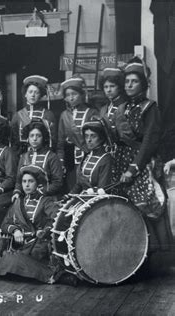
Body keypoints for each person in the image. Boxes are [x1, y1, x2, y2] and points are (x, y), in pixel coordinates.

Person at [114, 58, 173, 250]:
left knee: (149, 209)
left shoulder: (151, 108)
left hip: (143, 164)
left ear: (143, 84)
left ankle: (160, 256)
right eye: (127, 82)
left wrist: (134, 168)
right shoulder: (124, 108)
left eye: (134, 81)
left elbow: (149, 142)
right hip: (122, 163)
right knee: (128, 210)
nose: (129, 85)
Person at [0, 166, 60, 284]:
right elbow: (5, 224)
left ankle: (38, 272)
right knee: (11, 258)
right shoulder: (18, 202)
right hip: (21, 245)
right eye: (24, 181)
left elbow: (56, 219)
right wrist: (15, 230)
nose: (26, 185)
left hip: (38, 247)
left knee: (11, 260)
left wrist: (44, 230)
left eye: (30, 181)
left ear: (38, 184)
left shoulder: (46, 201)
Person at [57, 77, 99, 190]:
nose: (71, 97)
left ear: (81, 94)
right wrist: (61, 162)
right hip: (71, 162)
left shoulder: (92, 113)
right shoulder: (64, 115)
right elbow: (60, 143)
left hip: (89, 158)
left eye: (74, 93)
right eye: (68, 95)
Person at [12, 118, 63, 201]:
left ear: (43, 138)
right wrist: (17, 192)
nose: (34, 139)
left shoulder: (52, 157)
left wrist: (39, 192)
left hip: (46, 197)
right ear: (28, 138)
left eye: (38, 136)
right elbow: (18, 181)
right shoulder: (24, 157)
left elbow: (57, 183)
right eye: (31, 136)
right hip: (26, 197)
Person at [11, 75, 56, 155]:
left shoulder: (48, 114)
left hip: (43, 156)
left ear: (40, 95)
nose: (33, 95)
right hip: (22, 157)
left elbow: (52, 141)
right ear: (25, 94)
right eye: (30, 92)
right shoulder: (17, 116)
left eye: (36, 92)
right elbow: (14, 142)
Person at [68, 118, 114, 194]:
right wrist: (69, 196)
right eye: (86, 136)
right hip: (83, 196)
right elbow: (79, 184)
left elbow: (103, 188)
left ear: (101, 138)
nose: (89, 140)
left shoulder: (106, 158)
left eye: (93, 136)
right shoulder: (87, 156)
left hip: (99, 200)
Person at [99, 68, 127, 154]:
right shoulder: (104, 109)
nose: (108, 90)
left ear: (119, 87)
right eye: (106, 87)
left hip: (124, 151)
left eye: (112, 86)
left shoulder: (125, 106)